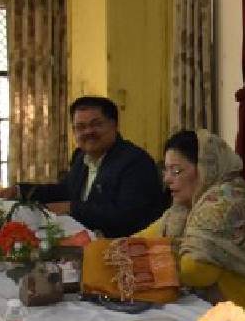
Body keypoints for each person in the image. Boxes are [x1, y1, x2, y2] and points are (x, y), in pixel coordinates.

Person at [138, 129, 245, 321]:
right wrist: (115, 248)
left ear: (205, 169)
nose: (167, 179)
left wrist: (147, 260)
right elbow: (146, 238)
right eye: (166, 170)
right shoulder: (185, 207)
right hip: (221, 308)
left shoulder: (225, 203)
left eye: (176, 171)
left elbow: (196, 271)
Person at [13, 96, 165, 237]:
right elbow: (65, 191)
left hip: (123, 245)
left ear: (114, 125)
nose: (88, 132)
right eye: (80, 127)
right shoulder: (81, 157)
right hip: (82, 240)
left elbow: (126, 215)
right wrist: (19, 191)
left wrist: (72, 208)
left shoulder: (135, 162)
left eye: (96, 124)